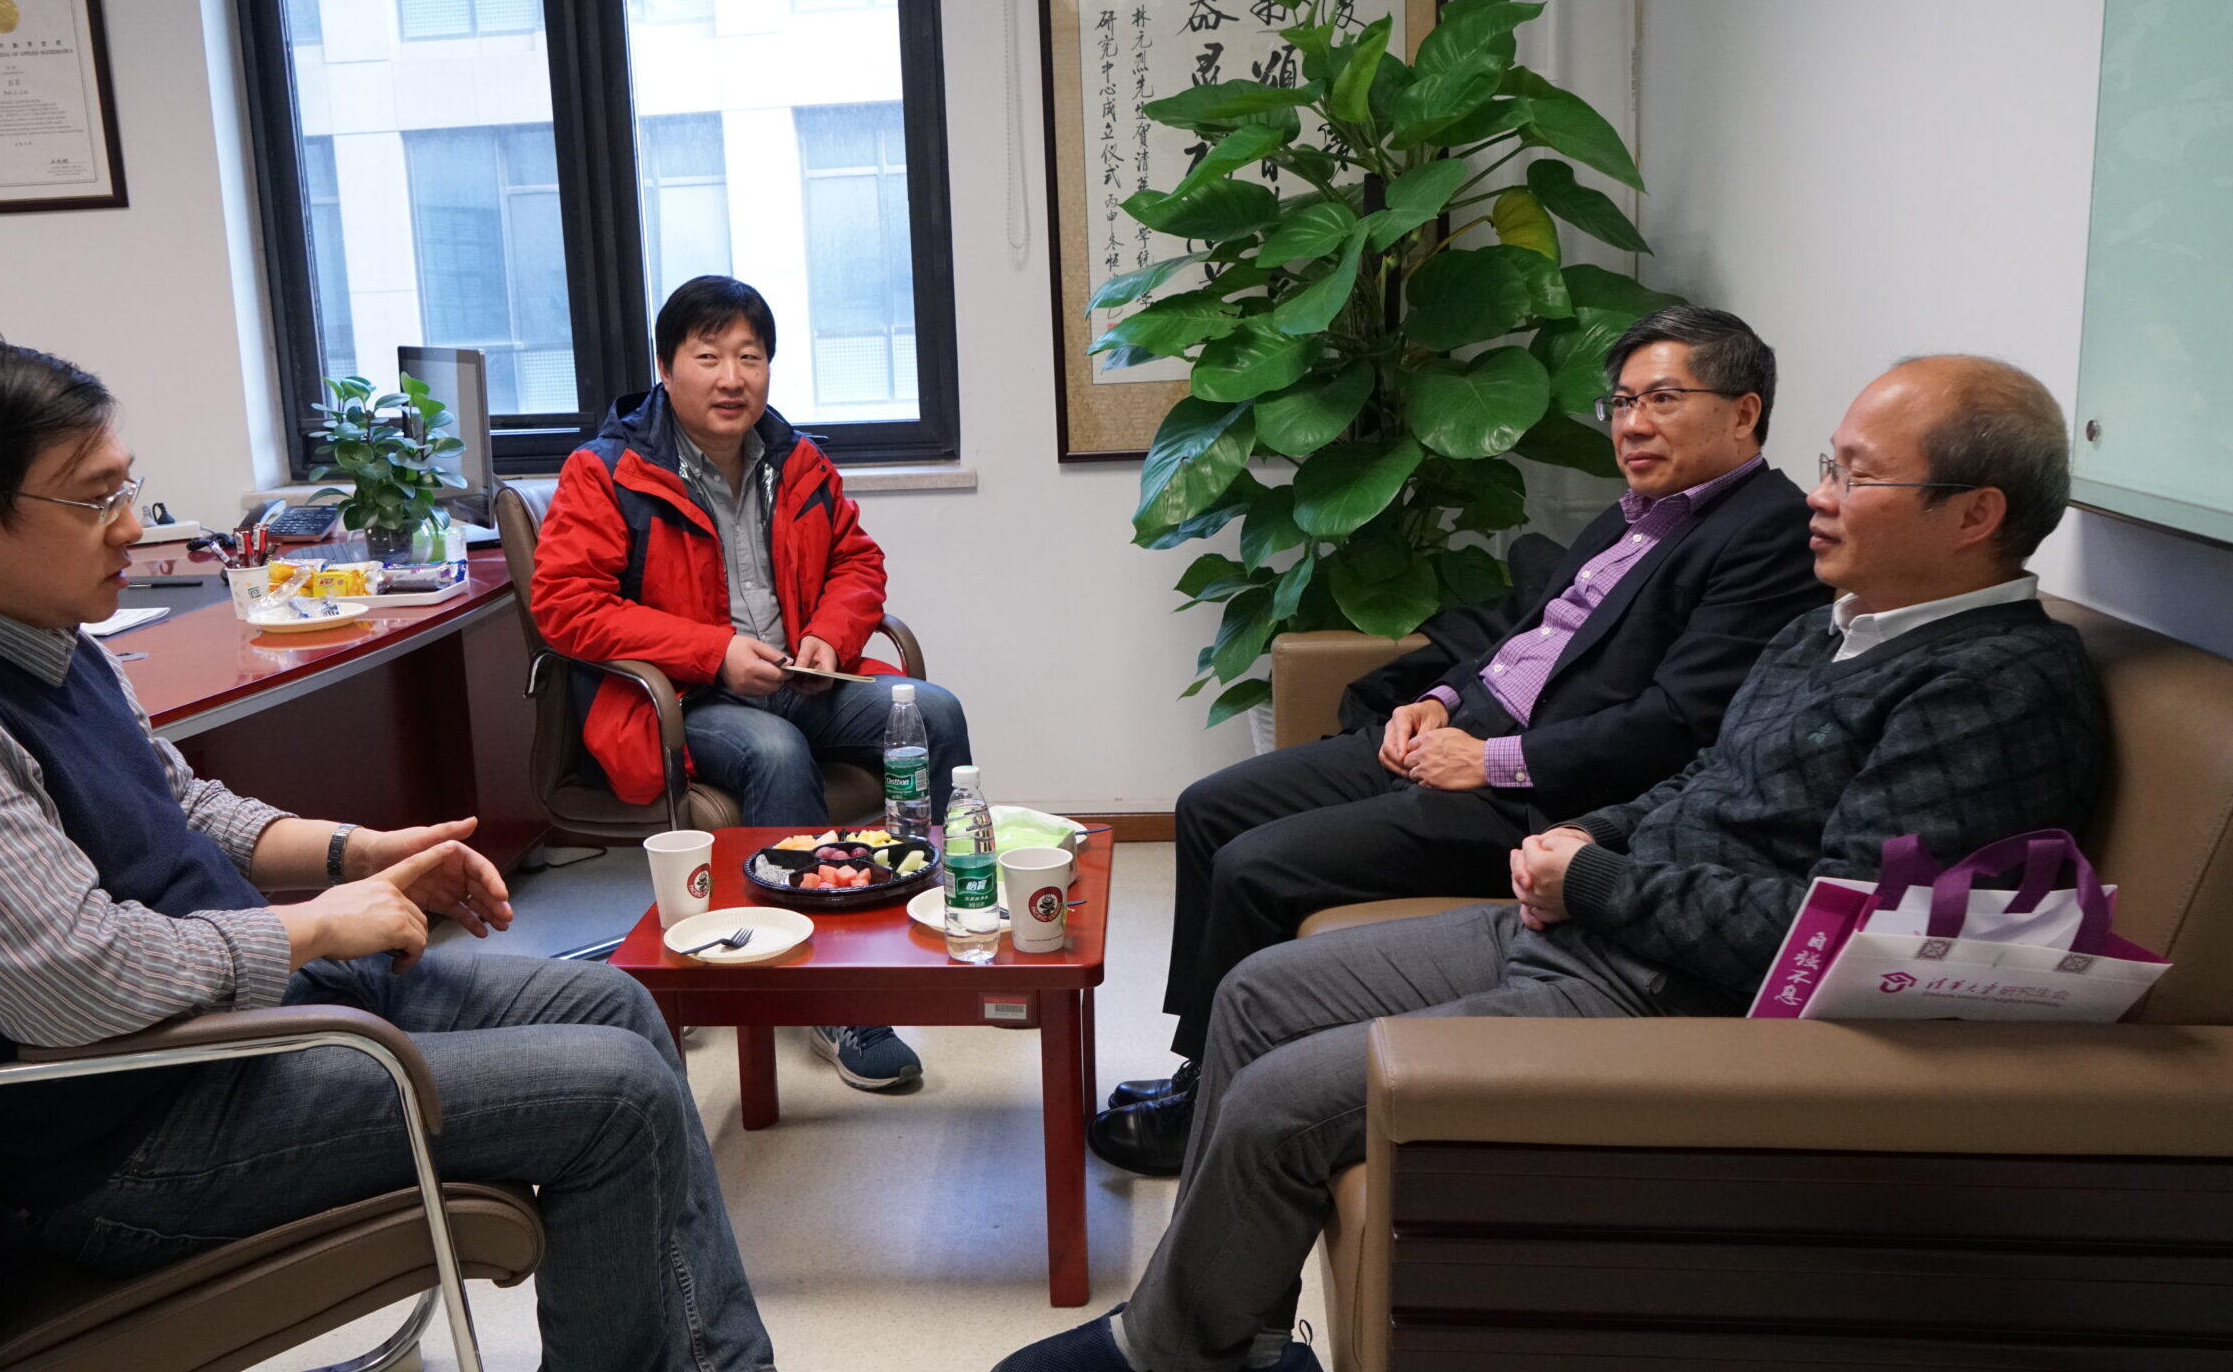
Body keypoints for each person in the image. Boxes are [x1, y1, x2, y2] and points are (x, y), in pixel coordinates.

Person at [997, 354, 2109, 1372]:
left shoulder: (1991, 690)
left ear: (1975, 514)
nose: (1821, 497)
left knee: (1283, 1104)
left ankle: (1166, 1355)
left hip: (1676, 997)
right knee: (1256, 994)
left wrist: (1594, 879)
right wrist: (1591, 840)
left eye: (1857, 477)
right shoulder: (1837, 625)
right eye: (1829, 465)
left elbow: (1843, 933)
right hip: (1595, 921)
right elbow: (1702, 777)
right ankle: (1225, 1339)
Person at [0, 340, 775, 1372]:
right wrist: (319, 927)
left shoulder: (27, 633)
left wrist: (354, 854)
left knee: (616, 1007)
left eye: (125, 489)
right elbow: (78, 980)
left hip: (229, 1032)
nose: (132, 527)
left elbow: (181, 805)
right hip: (131, 1136)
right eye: (93, 499)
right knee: (615, 1094)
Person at [1096, 306, 1829, 1174]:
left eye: (1663, 399)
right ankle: (1202, 1067)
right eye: (1623, 402)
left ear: (1744, 412)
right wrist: (1438, 698)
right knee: (1211, 807)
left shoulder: (1767, 533)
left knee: (1257, 865)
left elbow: (1677, 724)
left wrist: (1489, 761)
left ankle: (1204, 1119)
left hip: (1539, 793)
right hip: (1466, 730)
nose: (1632, 425)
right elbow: (1526, 630)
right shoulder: (1636, 516)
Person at [531, 274, 971, 1093]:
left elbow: (856, 563)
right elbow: (567, 607)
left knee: (934, 712)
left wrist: (831, 635)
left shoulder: (795, 459)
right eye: (708, 357)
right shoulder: (607, 472)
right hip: (683, 700)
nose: (731, 378)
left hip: (798, 676)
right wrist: (713, 651)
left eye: (749, 356)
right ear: (666, 368)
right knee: (773, 750)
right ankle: (825, 998)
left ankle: (938, 917)